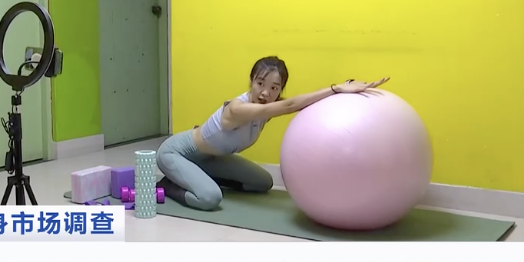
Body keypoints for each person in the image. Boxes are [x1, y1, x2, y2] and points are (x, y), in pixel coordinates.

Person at [155, 56, 390, 211]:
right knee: (210, 198)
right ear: (251, 81)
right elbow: (289, 106)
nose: (265, 93)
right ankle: (168, 185)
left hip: (211, 158)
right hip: (176, 153)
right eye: (260, 84)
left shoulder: (266, 108)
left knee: (262, 182)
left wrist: (346, 87)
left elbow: (298, 103)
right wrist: (335, 88)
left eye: (274, 88)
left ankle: (198, 176)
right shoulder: (237, 109)